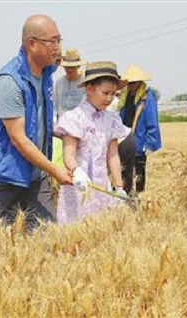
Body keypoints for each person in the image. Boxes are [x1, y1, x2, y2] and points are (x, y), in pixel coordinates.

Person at [0, 14, 73, 231]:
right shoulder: (9, 83)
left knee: (46, 241)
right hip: (2, 178)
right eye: (52, 41)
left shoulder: (47, 72)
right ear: (32, 44)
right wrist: (55, 170)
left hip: (36, 175)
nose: (58, 47)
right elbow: (19, 139)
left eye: (59, 40)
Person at [55, 61, 130, 223]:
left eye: (114, 94)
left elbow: (113, 156)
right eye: (105, 93)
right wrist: (77, 172)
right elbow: (68, 154)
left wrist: (119, 187)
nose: (110, 99)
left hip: (101, 187)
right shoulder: (74, 118)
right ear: (89, 89)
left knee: (98, 234)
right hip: (78, 186)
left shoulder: (111, 120)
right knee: (73, 233)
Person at [117, 64, 162, 195]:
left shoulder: (147, 97)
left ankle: (139, 197)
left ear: (139, 82)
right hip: (125, 138)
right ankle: (125, 195)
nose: (130, 85)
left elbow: (152, 120)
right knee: (125, 172)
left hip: (140, 141)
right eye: (128, 83)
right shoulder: (124, 96)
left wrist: (150, 143)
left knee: (139, 173)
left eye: (133, 82)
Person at [53, 49, 86, 122]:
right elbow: (54, 106)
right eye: (67, 67)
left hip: (80, 124)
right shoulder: (59, 83)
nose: (69, 70)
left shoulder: (84, 83)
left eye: (72, 67)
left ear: (78, 66)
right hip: (62, 125)